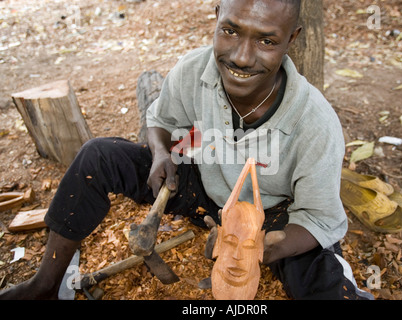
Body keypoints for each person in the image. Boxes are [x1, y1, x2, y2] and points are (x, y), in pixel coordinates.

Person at [0, 0, 373, 300]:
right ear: (216, 17)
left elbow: (320, 219)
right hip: (201, 187)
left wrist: (258, 246)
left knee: (320, 283)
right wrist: (162, 153)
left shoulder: (314, 124)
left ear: (292, 38)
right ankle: (45, 283)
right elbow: (160, 118)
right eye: (230, 30)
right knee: (98, 156)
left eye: (266, 40)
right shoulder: (194, 69)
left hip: (273, 215)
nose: (242, 57)